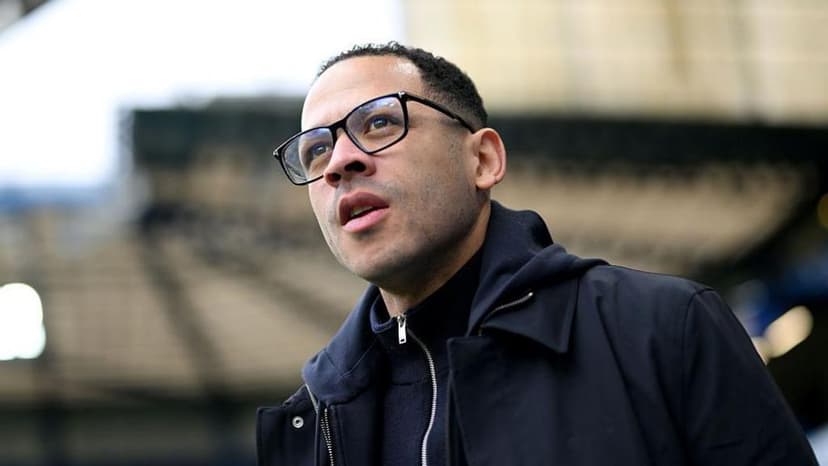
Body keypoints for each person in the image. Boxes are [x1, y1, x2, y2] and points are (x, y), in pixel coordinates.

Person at [256, 42, 817, 466]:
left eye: (379, 122)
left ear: (483, 160)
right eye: (316, 151)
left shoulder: (664, 329)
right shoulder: (309, 424)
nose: (339, 163)